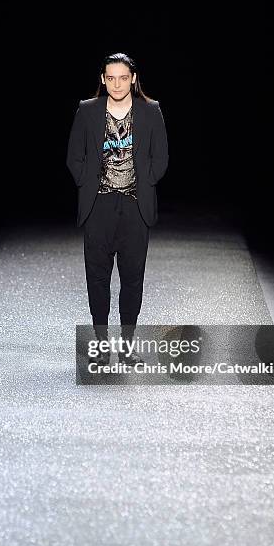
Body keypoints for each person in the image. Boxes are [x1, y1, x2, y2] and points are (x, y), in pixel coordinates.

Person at [66, 52, 169, 367]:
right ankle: (101, 347)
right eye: (111, 77)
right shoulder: (87, 111)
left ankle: (126, 347)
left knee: (132, 278)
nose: (117, 83)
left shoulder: (151, 112)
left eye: (123, 77)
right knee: (97, 278)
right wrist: (89, 184)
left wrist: (145, 180)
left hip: (135, 205)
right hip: (98, 205)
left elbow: (161, 157)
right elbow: (74, 157)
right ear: (102, 79)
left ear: (133, 79)